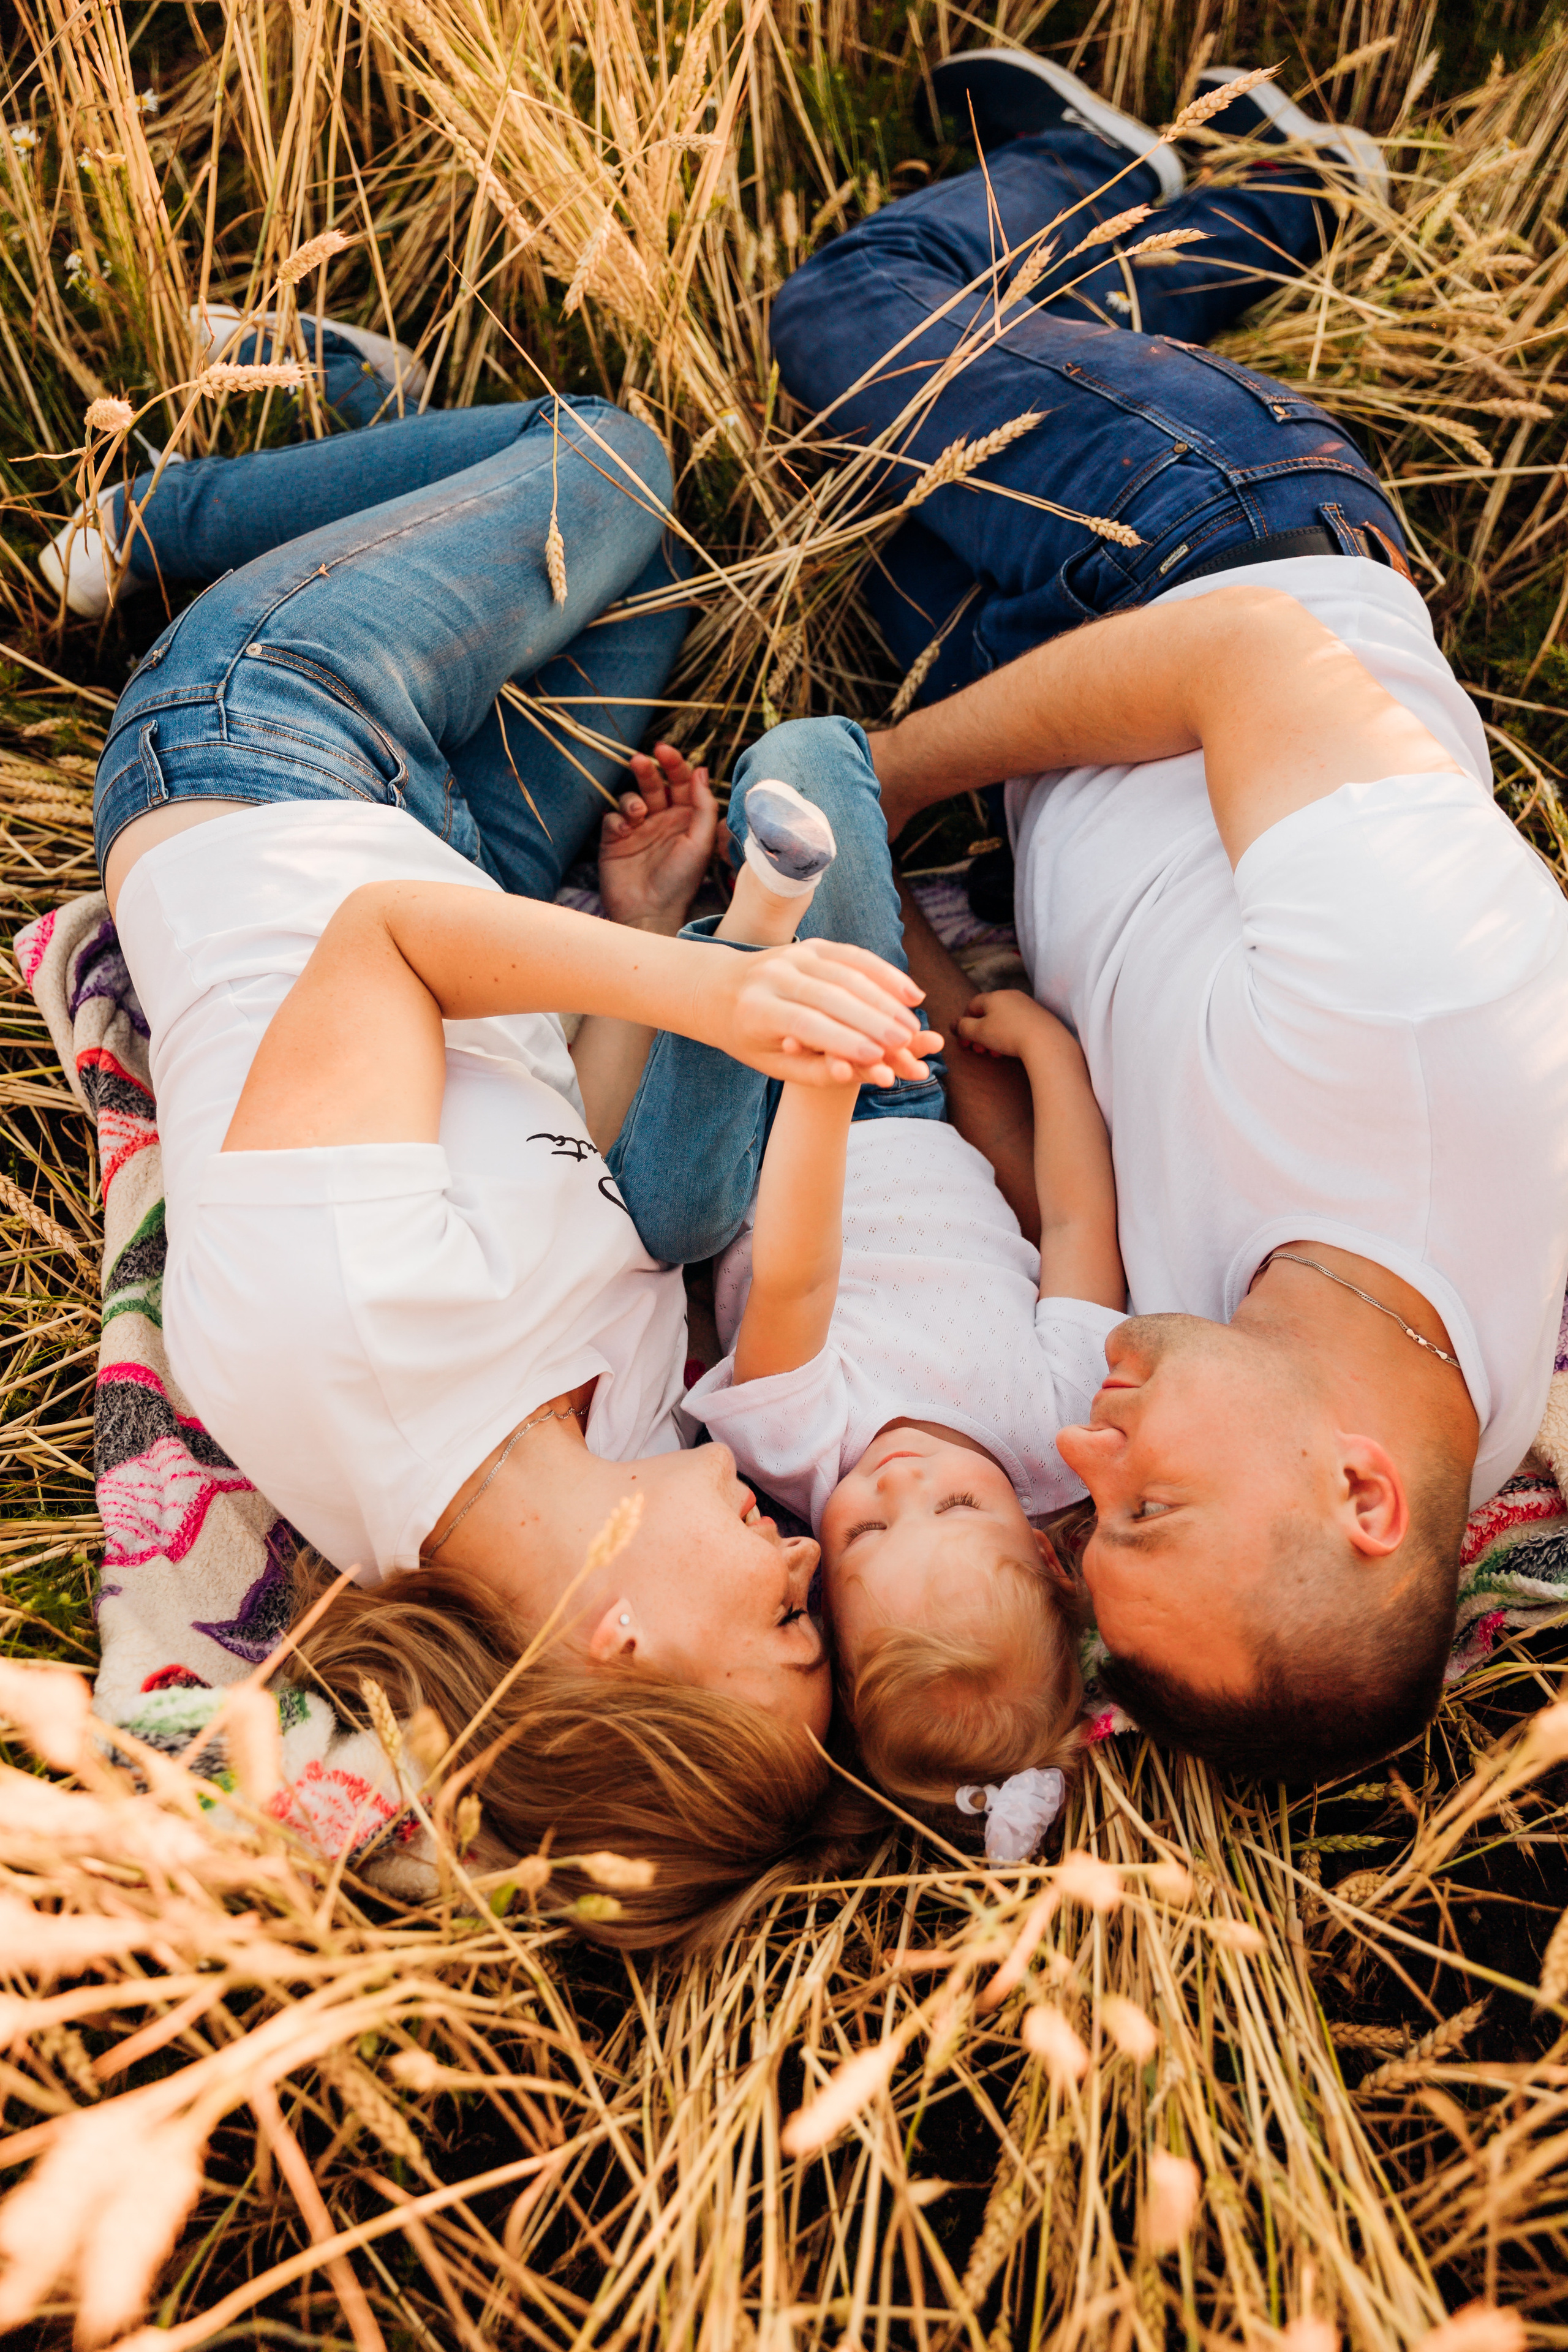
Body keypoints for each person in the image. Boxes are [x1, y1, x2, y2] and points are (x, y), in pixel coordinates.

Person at [760, 51, 1568, 1780]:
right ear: (1362, 1495)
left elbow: (1048, 1185)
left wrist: (903, 965)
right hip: (1203, 551)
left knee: (838, 490)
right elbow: (1244, 662)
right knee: (849, 323)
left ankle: (1222, 213)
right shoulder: (1433, 1017)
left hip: (1044, 743)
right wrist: (882, 779)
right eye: (1149, 1506)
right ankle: (1192, 166)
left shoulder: (1373, 1404)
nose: (1082, 1455)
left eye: (1095, 1520)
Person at [70, 364, 933, 1943]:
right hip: (482, 871)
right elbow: (554, 1147)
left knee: (612, 463)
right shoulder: (626, 1426)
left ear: (621, 1645)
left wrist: (711, 992)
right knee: (663, 581)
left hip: (269, 756)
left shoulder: (355, 1353)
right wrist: (646, 916)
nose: (806, 1569)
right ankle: (373, 451)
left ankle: (148, 519)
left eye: (787, 1631)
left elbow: (380, 942)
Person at [610, 728, 1123, 1840]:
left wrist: (820, 1077)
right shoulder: (1061, 1422)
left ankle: (701, 934)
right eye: (955, 1507)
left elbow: (794, 1273)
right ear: (1044, 1548)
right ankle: (750, 915)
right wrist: (1050, 1057)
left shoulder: (801, 1454)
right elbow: (1081, 1220)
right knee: (805, 764)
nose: (899, 1483)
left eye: (865, 1538)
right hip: (892, 1087)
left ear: (824, 1590)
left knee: (664, 1212)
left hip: (753, 1148)